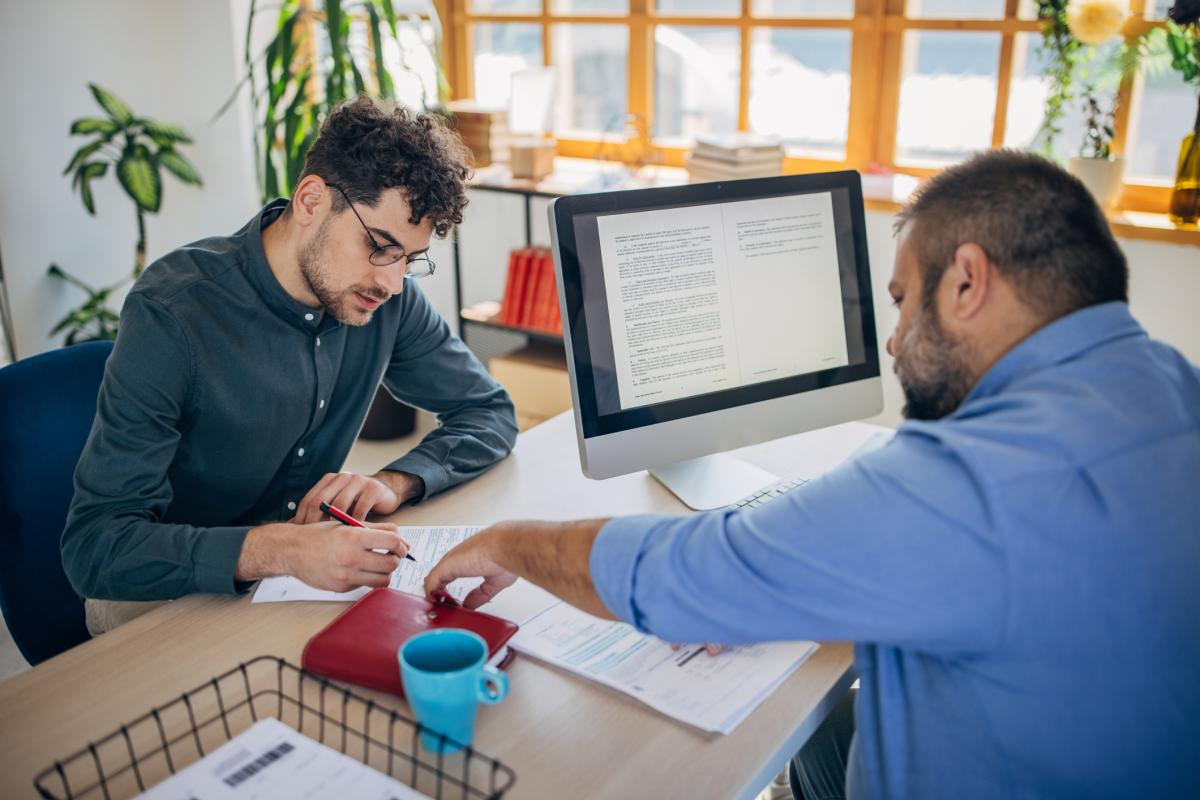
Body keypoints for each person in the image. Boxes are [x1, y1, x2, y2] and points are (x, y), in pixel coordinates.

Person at [424, 150, 1200, 798]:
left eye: (902, 302)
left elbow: (685, 580)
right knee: (823, 729)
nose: (893, 341)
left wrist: (513, 544)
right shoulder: (1170, 384)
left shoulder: (965, 482)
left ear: (967, 282)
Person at [62, 96, 518, 634]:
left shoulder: (387, 296)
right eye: (378, 246)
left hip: (296, 580)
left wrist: (396, 482)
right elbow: (96, 547)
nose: (392, 282)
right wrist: (276, 548)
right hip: (166, 591)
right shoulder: (175, 312)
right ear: (310, 201)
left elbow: (488, 411)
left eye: (409, 260)